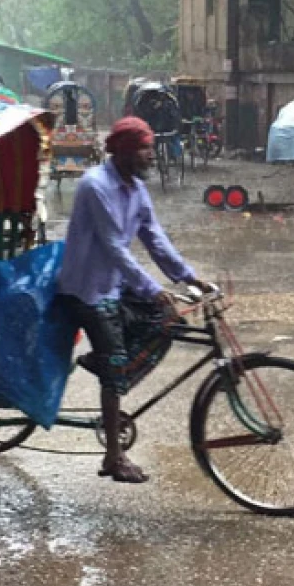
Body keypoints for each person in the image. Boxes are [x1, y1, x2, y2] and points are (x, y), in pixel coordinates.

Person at [57, 117, 210, 484]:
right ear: (124, 151)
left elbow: (154, 238)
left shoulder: (136, 188)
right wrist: (150, 287)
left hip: (114, 284)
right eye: (143, 149)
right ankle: (113, 456)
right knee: (117, 365)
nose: (150, 155)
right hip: (87, 289)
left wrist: (187, 276)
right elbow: (113, 248)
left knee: (169, 321)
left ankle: (110, 367)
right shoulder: (95, 186)